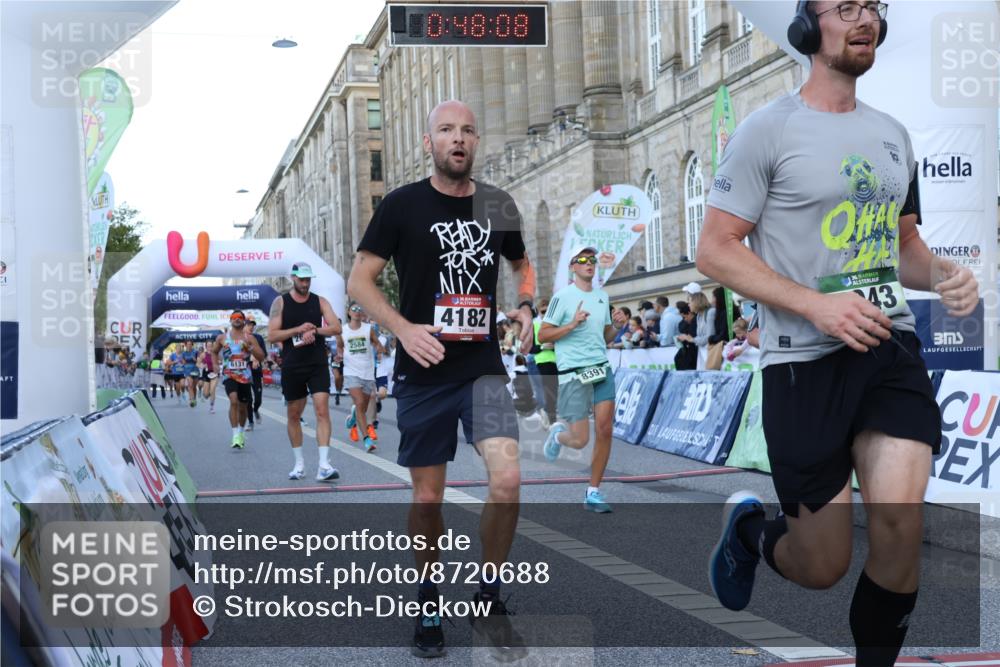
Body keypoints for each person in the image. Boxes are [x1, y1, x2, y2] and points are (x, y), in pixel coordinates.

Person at [695, 3, 980, 665]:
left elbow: (904, 246)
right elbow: (714, 248)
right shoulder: (767, 130)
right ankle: (750, 533)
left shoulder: (893, 134)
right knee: (821, 564)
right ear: (808, 26)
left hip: (888, 347)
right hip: (804, 361)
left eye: (872, 6)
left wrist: (943, 274)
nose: (864, 19)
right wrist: (814, 306)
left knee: (900, 525)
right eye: (845, 7)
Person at [347, 99, 535, 659]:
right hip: (424, 370)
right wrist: (403, 329)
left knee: (507, 481)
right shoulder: (402, 205)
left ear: (476, 142)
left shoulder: (497, 204)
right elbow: (360, 281)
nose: (458, 138)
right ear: (428, 142)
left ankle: (489, 599)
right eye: (447, 130)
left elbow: (521, 264)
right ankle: (428, 599)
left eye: (467, 130)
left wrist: (526, 305)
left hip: (483, 369)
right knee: (428, 498)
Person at [539, 246, 627, 513]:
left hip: (600, 368)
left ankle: (593, 491)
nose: (589, 263)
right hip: (573, 373)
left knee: (605, 429)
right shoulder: (562, 297)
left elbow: (605, 337)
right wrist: (571, 325)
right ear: (573, 266)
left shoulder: (602, 296)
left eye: (592, 260)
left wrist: (617, 326)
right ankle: (558, 436)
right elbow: (543, 336)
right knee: (580, 440)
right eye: (583, 259)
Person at [268, 262, 344, 482]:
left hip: (316, 364)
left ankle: (324, 465)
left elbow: (337, 327)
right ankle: (299, 464)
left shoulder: (320, 301)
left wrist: (315, 330)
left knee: (322, 411)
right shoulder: (280, 302)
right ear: (293, 278)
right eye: (301, 279)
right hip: (293, 365)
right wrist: (298, 330)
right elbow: (272, 335)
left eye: (308, 279)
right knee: (294, 414)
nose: (305, 283)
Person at [211, 311, 266, 449]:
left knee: (243, 407)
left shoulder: (250, 338)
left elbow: (261, 356)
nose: (237, 319)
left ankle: (241, 432)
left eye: (240, 318)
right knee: (233, 401)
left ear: (243, 321)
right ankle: (235, 434)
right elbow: (214, 351)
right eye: (234, 317)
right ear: (230, 320)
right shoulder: (222, 337)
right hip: (229, 374)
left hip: (245, 376)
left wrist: (251, 348)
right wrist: (215, 364)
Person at [341, 302, 385, 453]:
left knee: (363, 408)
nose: (357, 311)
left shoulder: (368, 329)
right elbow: (339, 347)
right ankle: (367, 440)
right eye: (354, 309)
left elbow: (377, 344)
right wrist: (339, 355)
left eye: (360, 309)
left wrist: (379, 349)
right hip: (351, 372)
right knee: (359, 403)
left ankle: (353, 417)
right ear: (349, 312)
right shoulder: (342, 331)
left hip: (367, 372)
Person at [245, 317, 266, 430]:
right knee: (248, 399)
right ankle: (250, 422)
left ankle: (256, 409)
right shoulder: (240, 338)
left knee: (258, 399)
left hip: (256, 371)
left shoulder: (259, 337)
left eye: (253, 325)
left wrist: (257, 358)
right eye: (249, 325)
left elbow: (264, 353)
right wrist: (250, 358)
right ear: (244, 326)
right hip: (244, 372)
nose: (251, 327)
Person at [688, 291, 716, 370]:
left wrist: (692, 340)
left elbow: (710, 337)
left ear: (696, 302)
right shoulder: (698, 315)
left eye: (690, 302)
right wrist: (693, 339)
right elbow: (700, 335)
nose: (688, 305)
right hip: (703, 352)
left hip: (711, 352)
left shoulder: (710, 312)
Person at [673, 301, 698, 370]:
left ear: (689, 313)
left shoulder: (696, 321)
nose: (685, 320)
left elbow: (692, 335)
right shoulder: (687, 323)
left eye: (684, 317)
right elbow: (681, 327)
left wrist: (686, 337)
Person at [199, 344, 219, 414]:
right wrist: (202, 365)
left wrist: (219, 364)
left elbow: (222, 361)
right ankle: (205, 394)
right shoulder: (203, 354)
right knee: (206, 395)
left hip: (214, 373)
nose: (210, 348)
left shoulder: (216, 354)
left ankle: (212, 407)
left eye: (211, 346)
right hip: (206, 374)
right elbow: (198, 363)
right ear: (206, 347)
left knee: (212, 390)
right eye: (208, 346)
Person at [180, 341, 200, 407]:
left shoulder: (196, 352)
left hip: (195, 370)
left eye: (190, 344)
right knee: (190, 385)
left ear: (192, 345)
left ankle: (194, 398)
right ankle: (192, 400)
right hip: (187, 370)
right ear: (186, 345)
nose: (189, 345)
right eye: (188, 344)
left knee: (194, 386)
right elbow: (183, 362)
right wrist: (183, 362)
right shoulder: (183, 353)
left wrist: (195, 360)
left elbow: (198, 361)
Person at [329, 334, 345, 406]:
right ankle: (337, 392)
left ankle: (338, 393)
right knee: (337, 377)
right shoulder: (331, 339)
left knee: (341, 378)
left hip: (344, 360)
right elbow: (327, 350)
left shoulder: (345, 336)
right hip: (335, 360)